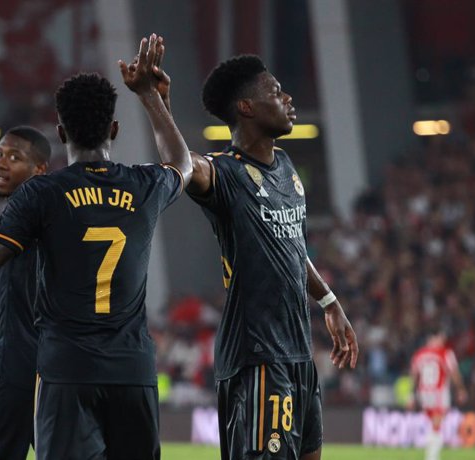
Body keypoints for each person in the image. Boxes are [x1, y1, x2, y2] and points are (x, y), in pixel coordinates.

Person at [0, 33, 191, 460]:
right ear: (114, 129)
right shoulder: (144, 185)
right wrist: (150, 98)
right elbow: (183, 164)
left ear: (61, 131)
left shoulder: (41, 193)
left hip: (66, 371)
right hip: (133, 368)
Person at [152, 53, 358, 459]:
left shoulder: (284, 165)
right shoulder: (224, 172)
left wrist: (329, 302)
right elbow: (178, 164)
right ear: (246, 107)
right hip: (258, 356)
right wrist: (155, 103)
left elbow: (292, 248)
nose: (288, 98)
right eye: (276, 92)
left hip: (298, 355)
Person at [0, 125, 50, 460]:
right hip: (54, 363)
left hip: (10, 361)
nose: (0, 163)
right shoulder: (49, 216)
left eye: (14, 157)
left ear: (39, 168)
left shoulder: (22, 220)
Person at [410, 326, 468, 460]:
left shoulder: (419, 354)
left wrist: (411, 396)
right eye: (441, 337)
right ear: (436, 337)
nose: (443, 339)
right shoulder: (444, 353)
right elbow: (454, 372)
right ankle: (431, 457)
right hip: (439, 394)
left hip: (424, 394)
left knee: (434, 424)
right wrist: (460, 389)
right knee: (437, 426)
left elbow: (414, 376)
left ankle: (431, 455)